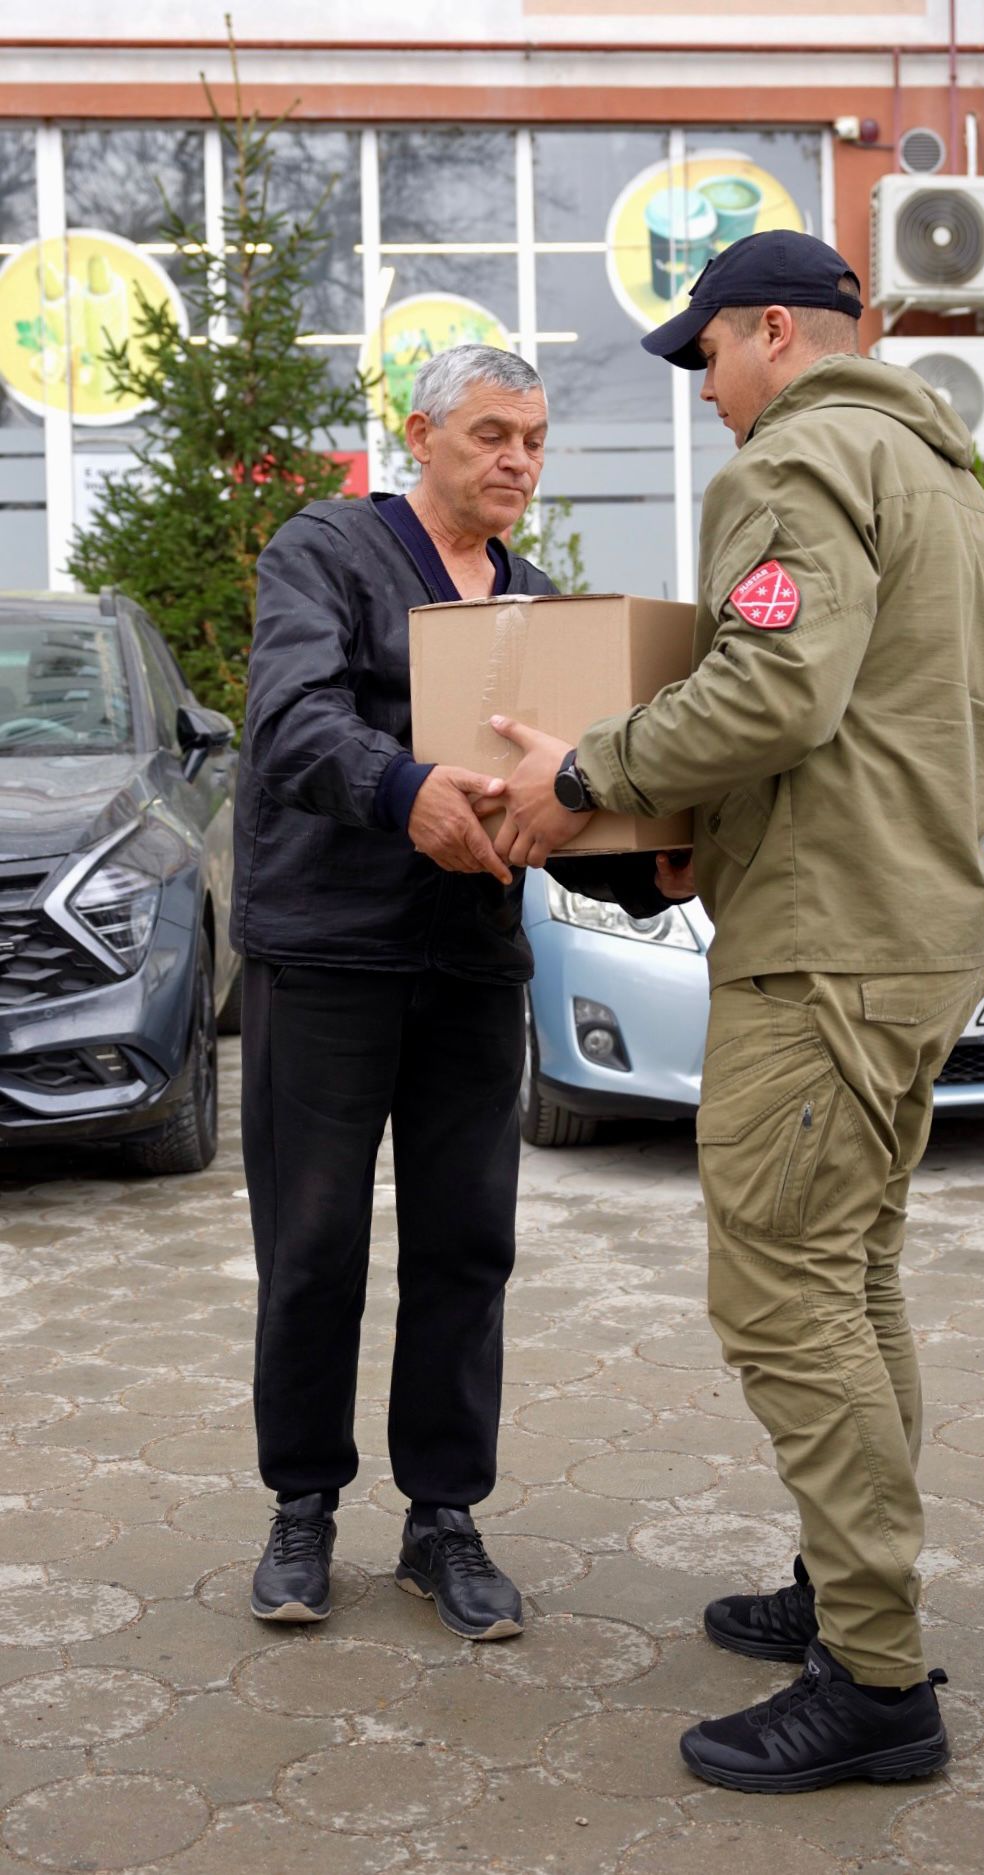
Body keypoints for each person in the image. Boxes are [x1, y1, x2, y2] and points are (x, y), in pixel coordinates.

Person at [489, 230, 984, 1790]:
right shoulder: (944, 481)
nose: (704, 389)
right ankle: (840, 1588)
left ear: (773, 330)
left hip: (827, 946)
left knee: (783, 1291)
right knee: (850, 1274)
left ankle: (873, 1678)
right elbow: (901, 725)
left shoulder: (793, 464)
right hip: (913, 923)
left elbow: (773, 690)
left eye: (707, 354)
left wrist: (584, 771)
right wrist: (705, 840)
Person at [231, 344, 553, 1640]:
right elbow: (289, 721)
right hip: (328, 955)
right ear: (419, 435)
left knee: (467, 1246)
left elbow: (558, 791)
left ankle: (444, 1519)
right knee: (312, 1246)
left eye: (533, 439)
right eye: (490, 434)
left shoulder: (536, 606)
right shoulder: (325, 551)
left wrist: (647, 856)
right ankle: (302, 1507)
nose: (517, 460)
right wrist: (402, 787)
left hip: (471, 963)